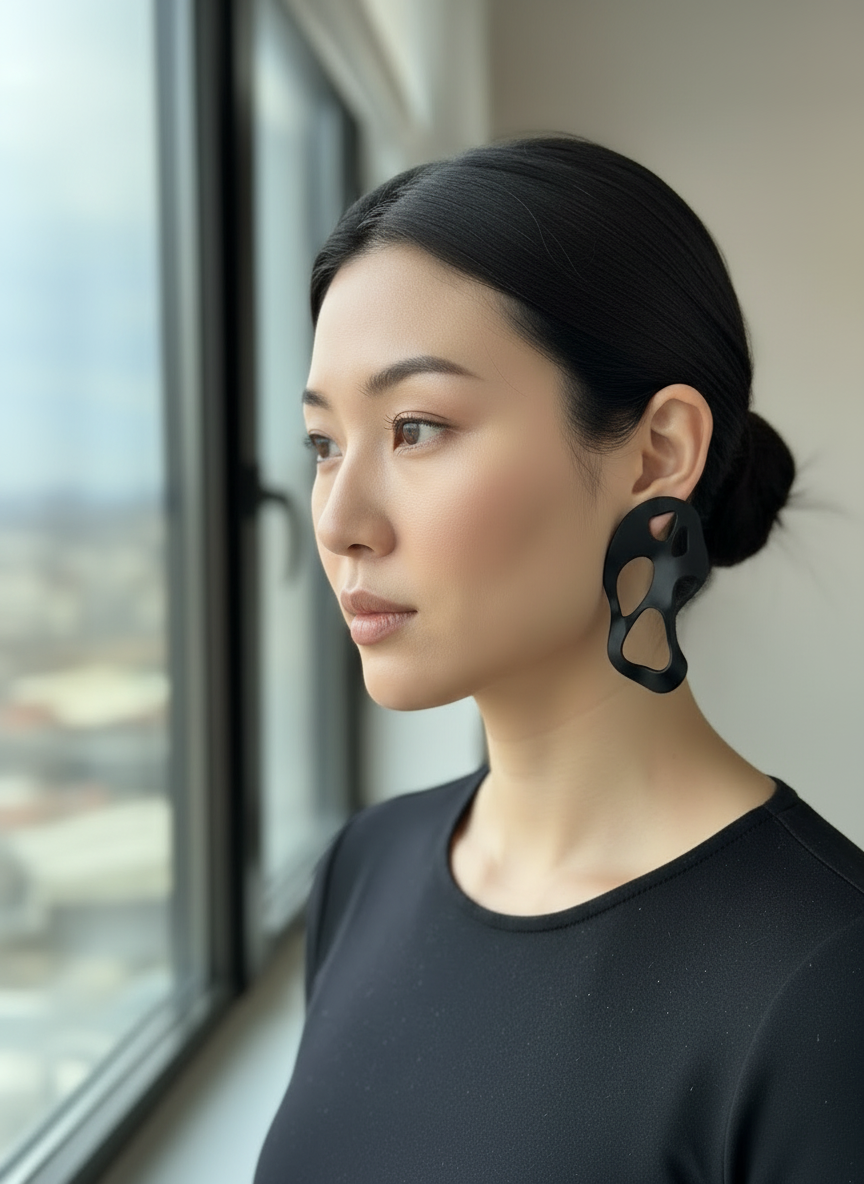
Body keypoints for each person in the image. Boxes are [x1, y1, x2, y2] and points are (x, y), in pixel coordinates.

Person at [254, 135, 864, 1182]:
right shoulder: (366, 866)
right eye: (323, 444)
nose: (341, 518)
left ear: (658, 453)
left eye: (415, 426)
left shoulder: (827, 980)